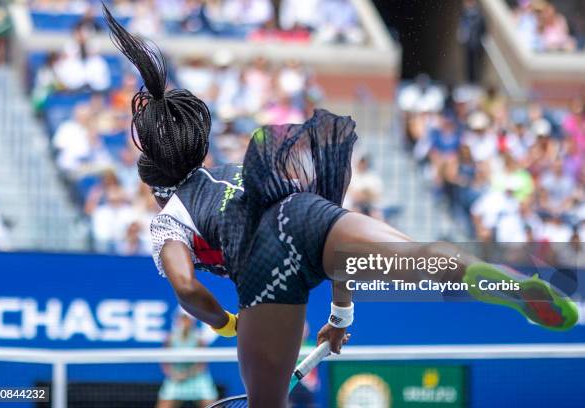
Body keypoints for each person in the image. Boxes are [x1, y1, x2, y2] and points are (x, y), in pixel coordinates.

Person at [103, 7, 578, 408]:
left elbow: (186, 288)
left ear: (152, 181)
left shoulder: (170, 221)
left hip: (266, 268)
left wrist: (229, 323)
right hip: (307, 212)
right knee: (426, 261)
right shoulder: (234, 172)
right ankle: (501, 281)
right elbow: (323, 254)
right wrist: (340, 316)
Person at [156, 308, 218, 408]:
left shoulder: (199, 339)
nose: (185, 322)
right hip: (175, 377)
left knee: (212, 405)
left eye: (187, 319)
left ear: (192, 321)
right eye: (182, 319)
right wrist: (174, 374)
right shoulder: (170, 338)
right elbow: (165, 362)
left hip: (197, 377)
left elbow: (201, 364)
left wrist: (187, 374)